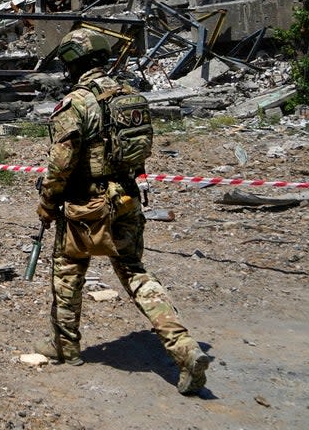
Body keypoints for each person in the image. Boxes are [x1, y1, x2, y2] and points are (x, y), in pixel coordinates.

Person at [35, 27, 210, 396]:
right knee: (135, 274)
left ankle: (66, 349)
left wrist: (48, 203)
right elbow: (139, 153)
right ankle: (185, 348)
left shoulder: (76, 104)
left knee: (67, 272)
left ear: (72, 63)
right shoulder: (130, 97)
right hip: (127, 199)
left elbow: (61, 164)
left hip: (87, 206)